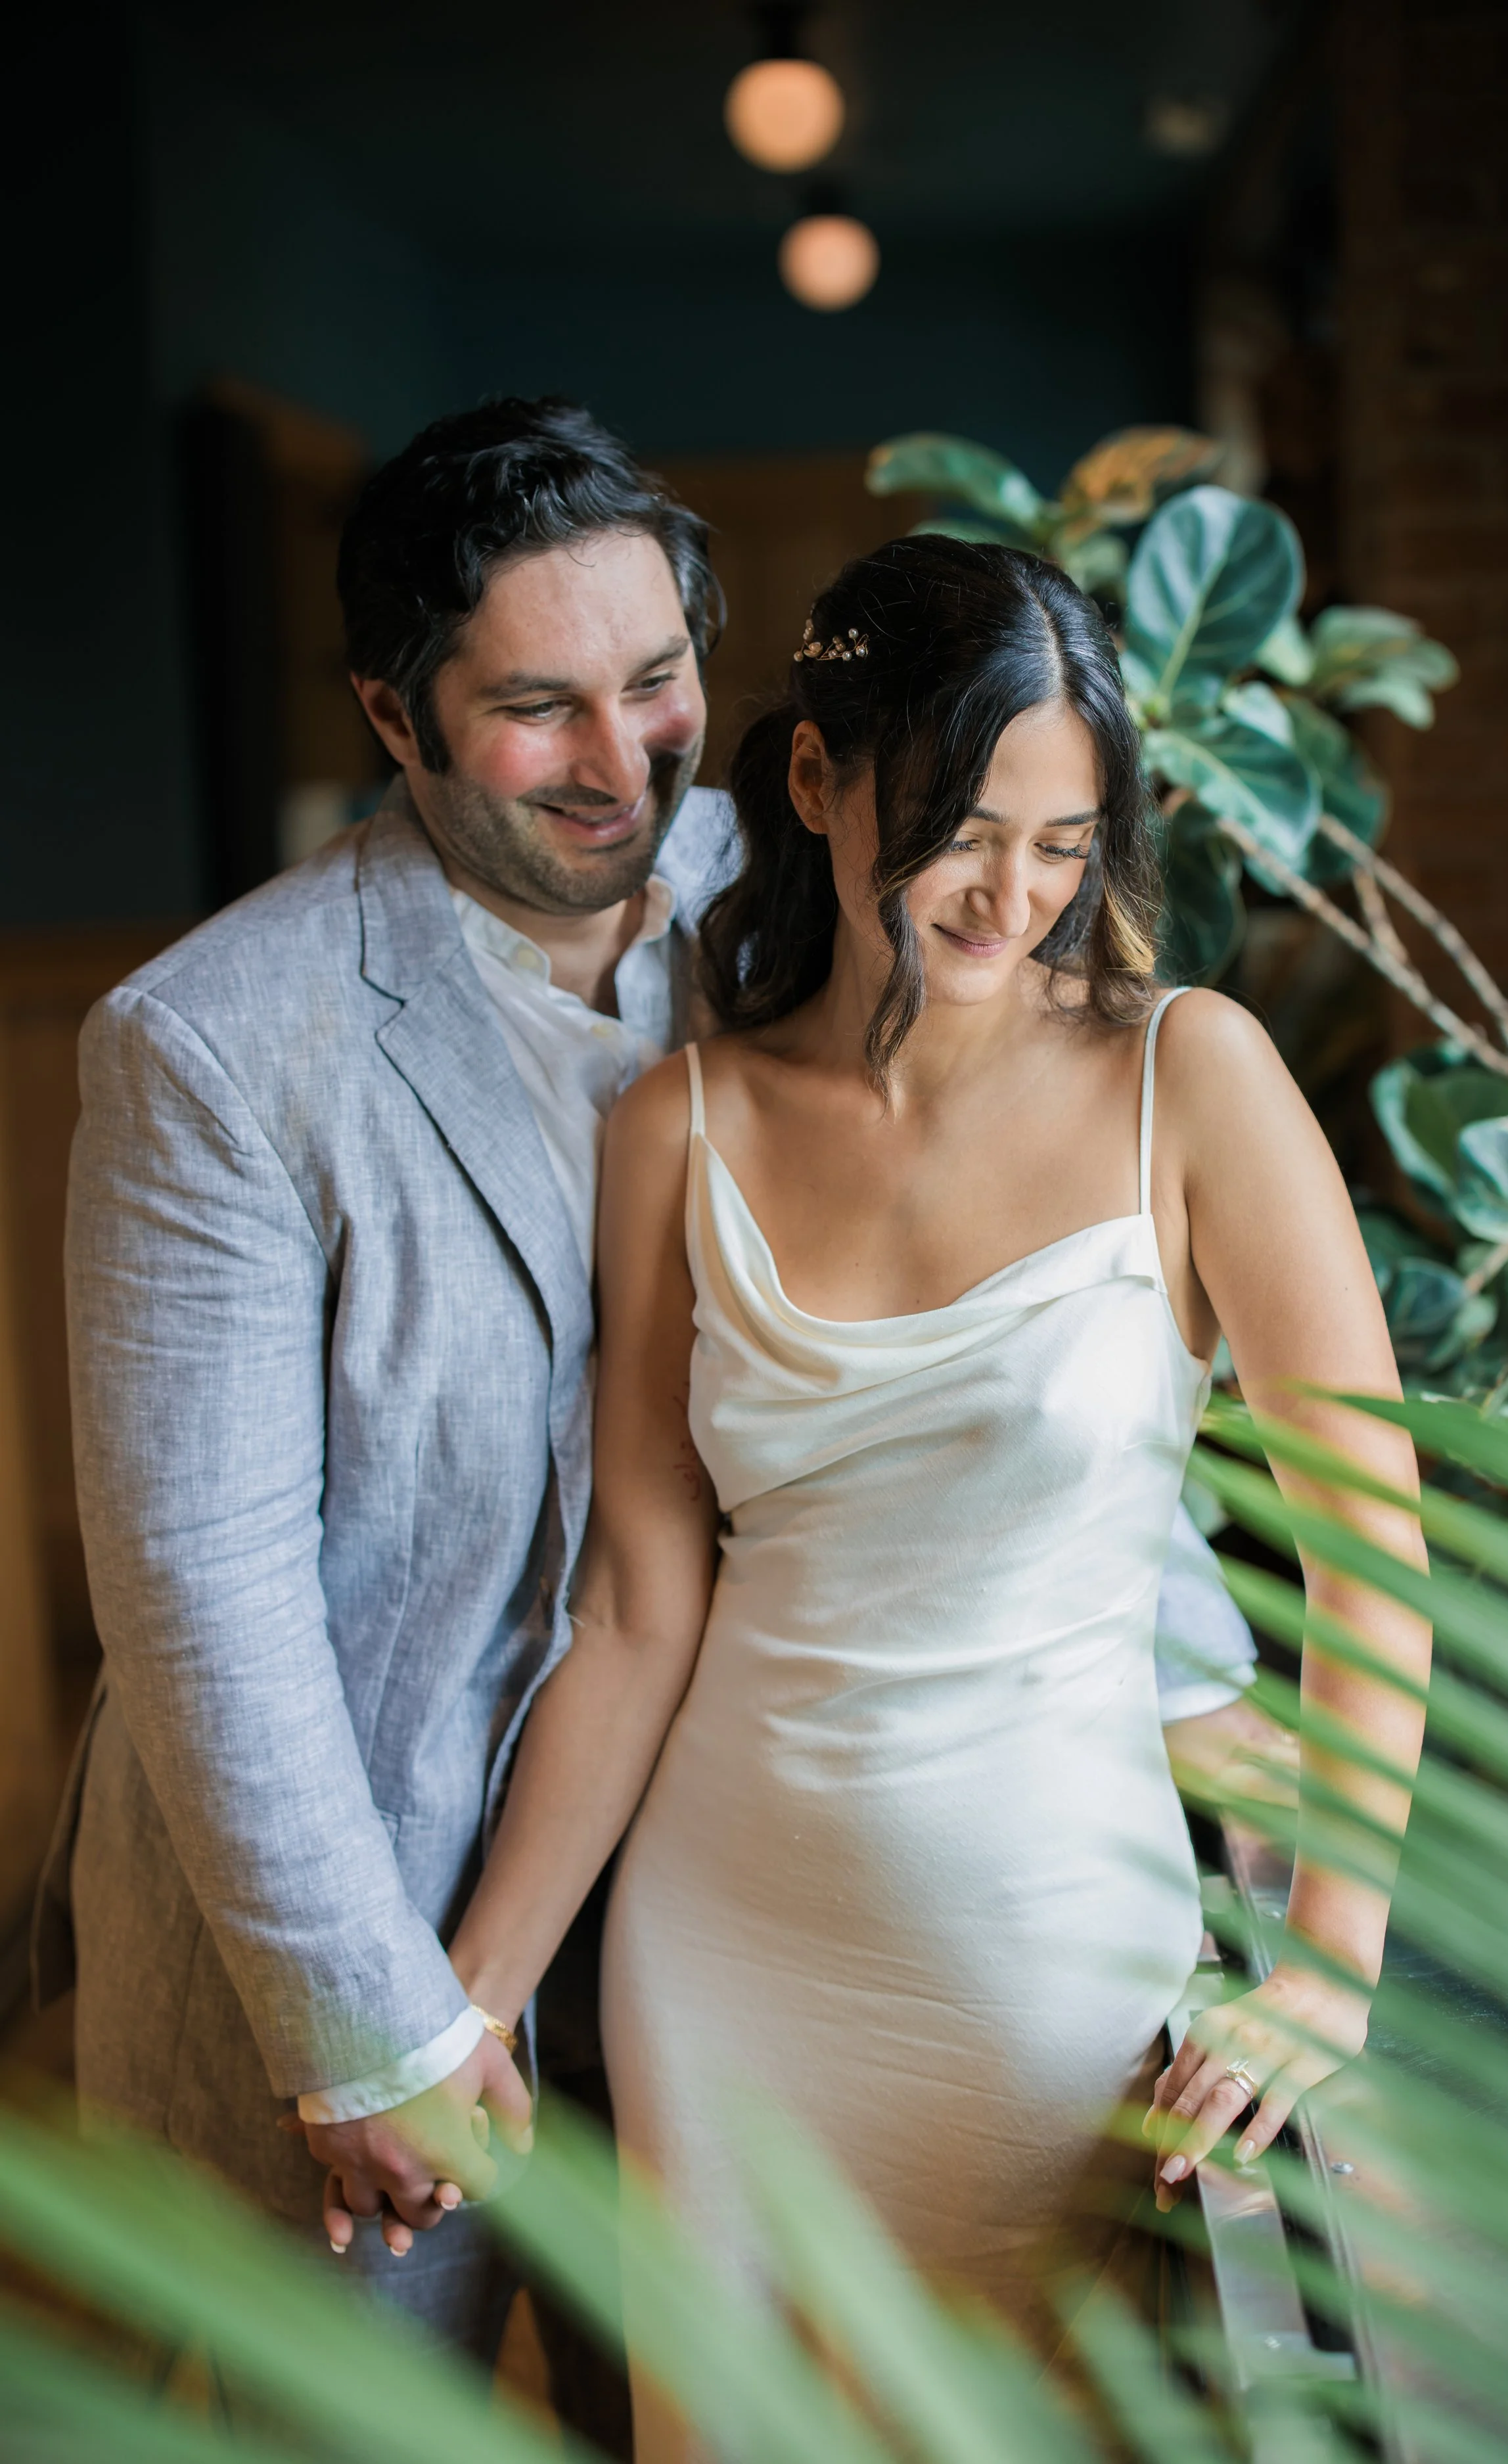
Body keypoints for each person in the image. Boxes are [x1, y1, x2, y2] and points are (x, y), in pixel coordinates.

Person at [36, 399, 1264, 2375]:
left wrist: (1215, 1722)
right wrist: (378, 2020)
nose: (622, 762)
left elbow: (1021, 1352)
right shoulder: (206, 1050)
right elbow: (202, 1590)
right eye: (537, 706)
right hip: (374, 1929)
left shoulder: (826, 889)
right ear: (394, 710)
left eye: (656, 678)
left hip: (727, 1922)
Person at [443, 537, 1431, 2460]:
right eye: (964, 827)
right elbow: (644, 1609)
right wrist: (470, 1997)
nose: (1018, 890)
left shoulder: (1189, 1079)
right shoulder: (679, 1129)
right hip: (724, 1953)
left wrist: (1325, 1960)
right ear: (813, 784)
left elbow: (1373, 1550)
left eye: (1066, 838)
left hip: (1054, 1959)